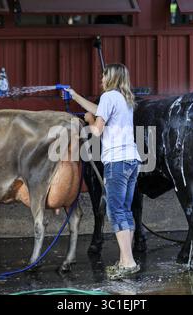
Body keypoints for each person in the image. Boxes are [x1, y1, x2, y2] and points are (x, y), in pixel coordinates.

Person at [64, 64, 142, 279]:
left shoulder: (108, 97)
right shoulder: (125, 98)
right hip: (132, 160)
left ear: (112, 78)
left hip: (116, 162)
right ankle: (126, 260)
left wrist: (88, 120)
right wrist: (75, 95)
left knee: (116, 212)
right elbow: (100, 110)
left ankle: (128, 262)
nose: (101, 79)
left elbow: (97, 130)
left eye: (104, 76)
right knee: (125, 210)